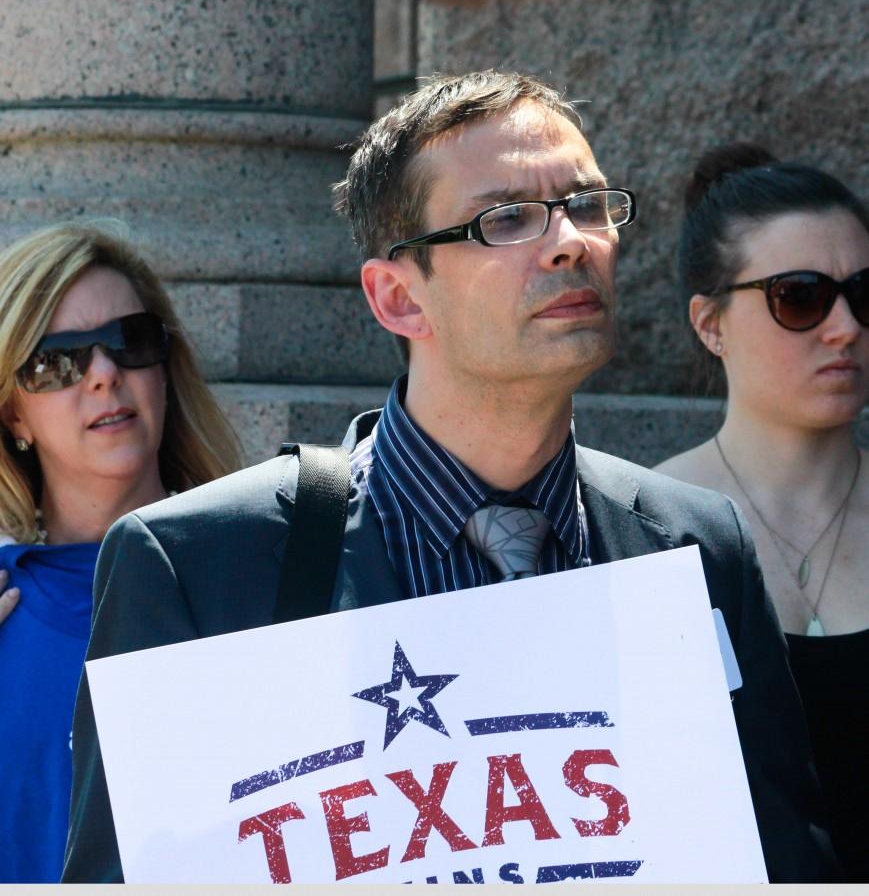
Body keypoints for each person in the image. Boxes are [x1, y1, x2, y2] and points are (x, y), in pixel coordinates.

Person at [64, 73, 837, 883]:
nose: (570, 240)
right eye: (505, 219)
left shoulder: (694, 545)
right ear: (397, 298)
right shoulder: (195, 565)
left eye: (585, 204)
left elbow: (780, 864)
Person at [0, 221, 241, 882]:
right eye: (57, 362)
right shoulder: (8, 615)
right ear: (14, 415)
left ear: (165, 370)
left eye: (129, 342)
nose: (104, 374)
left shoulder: (268, 568)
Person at [655, 143, 869, 881]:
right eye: (799, 296)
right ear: (709, 324)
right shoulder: (638, 537)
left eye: (863, 294)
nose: (844, 327)